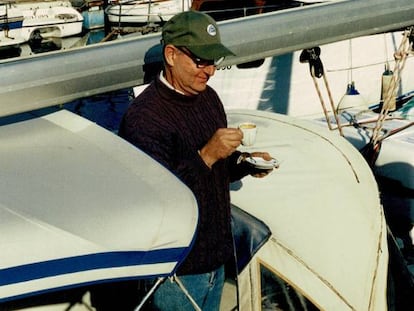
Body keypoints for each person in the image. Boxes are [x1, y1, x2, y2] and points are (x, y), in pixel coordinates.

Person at [118, 10, 274, 311]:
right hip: (175, 271)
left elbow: (216, 170)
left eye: (214, 61)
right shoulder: (144, 118)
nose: (210, 71)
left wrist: (245, 163)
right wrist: (207, 155)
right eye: (201, 60)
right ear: (172, 54)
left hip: (216, 259)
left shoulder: (209, 98)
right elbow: (156, 198)